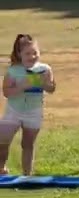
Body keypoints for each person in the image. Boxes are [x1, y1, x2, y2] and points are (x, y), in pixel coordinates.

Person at [1, 34, 55, 176]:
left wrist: (45, 84)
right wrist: (22, 86)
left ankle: (27, 175)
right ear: (19, 54)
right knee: (3, 141)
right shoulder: (13, 70)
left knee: (28, 144)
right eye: (27, 54)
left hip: (34, 112)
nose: (32, 56)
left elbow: (51, 88)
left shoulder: (45, 69)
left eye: (35, 53)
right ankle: (1, 169)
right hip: (13, 111)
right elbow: (6, 92)